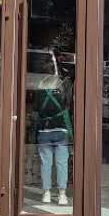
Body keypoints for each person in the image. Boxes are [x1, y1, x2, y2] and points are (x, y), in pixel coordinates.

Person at [35, 77, 72, 205]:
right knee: (62, 163)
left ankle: (46, 193)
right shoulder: (62, 95)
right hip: (61, 131)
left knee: (46, 164)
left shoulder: (40, 96)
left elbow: (36, 112)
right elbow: (69, 108)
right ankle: (62, 194)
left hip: (44, 132)